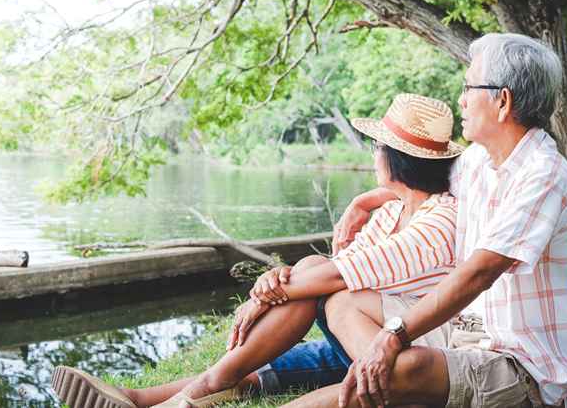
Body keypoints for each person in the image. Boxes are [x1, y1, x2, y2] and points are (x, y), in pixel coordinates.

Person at [50, 93, 464, 408]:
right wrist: (278, 279)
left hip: (408, 348)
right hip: (362, 336)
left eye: (378, 146)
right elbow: (337, 265)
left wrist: (263, 293)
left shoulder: (437, 221)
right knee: (271, 348)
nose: (373, 154)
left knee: (320, 284)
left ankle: (199, 391)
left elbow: (337, 276)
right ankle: (139, 398)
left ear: (396, 158)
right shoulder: (393, 210)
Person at [280, 33, 567, 408]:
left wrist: (394, 335)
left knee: (402, 367)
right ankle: (387, 380)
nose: (461, 99)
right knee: (343, 301)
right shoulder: (481, 160)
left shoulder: (543, 176)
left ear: (502, 101)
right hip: (469, 334)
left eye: (469, 87)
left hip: (525, 368)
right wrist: (366, 201)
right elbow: (424, 182)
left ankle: (392, 380)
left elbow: (480, 272)